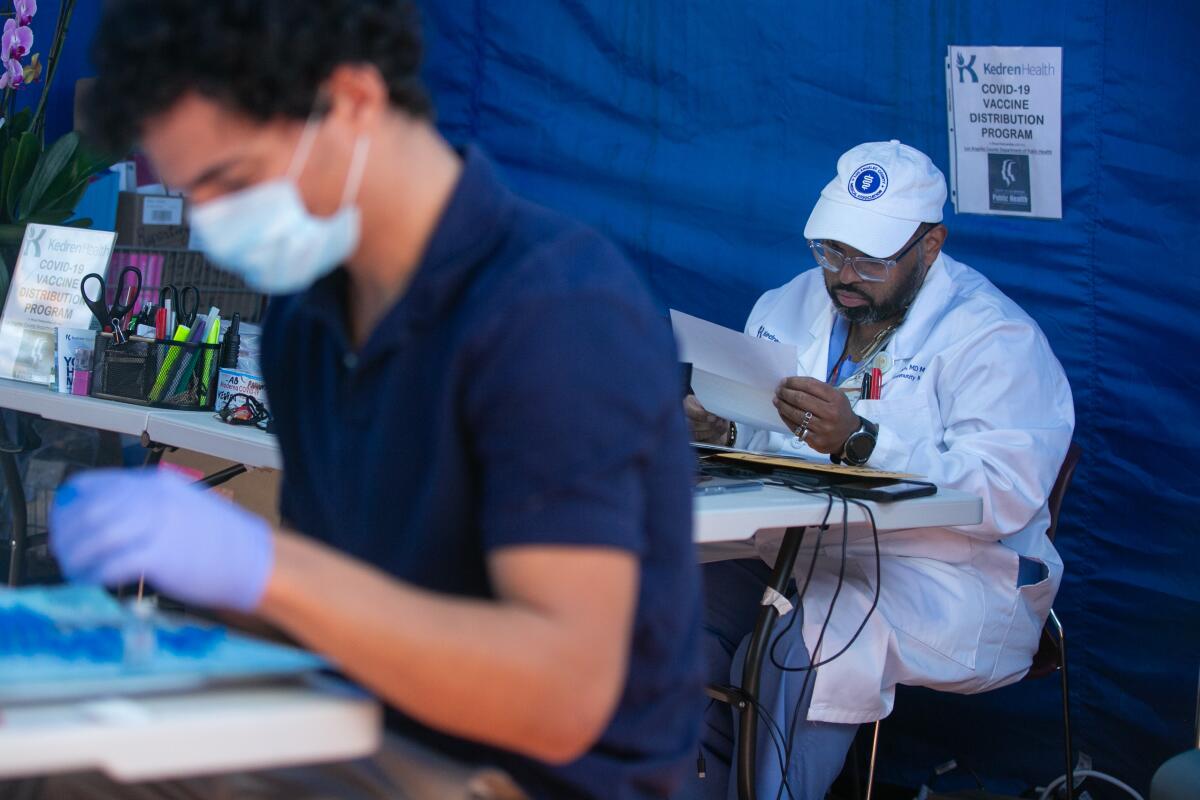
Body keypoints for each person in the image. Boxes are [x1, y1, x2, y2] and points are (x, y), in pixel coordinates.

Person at [38, 2, 703, 798]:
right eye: (192, 195)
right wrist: (153, 598)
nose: (214, 228)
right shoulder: (308, 320)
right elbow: (361, 620)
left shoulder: (555, 312)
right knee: (58, 756)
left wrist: (263, 567)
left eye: (233, 182)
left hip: (530, 776)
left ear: (352, 100)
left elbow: (562, 698)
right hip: (364, 723)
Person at [678, 140, 1075, 799]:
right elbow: (766, 434)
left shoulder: (994, 339)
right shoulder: (788, 303)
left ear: (931, 246)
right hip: (797, 550)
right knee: (668, 592)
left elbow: (1006, 494)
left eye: (870, 259)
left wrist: (860, 440)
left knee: (814, 629)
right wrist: (723, 426)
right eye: (831, 251)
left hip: (950, 574)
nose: (843, 275)